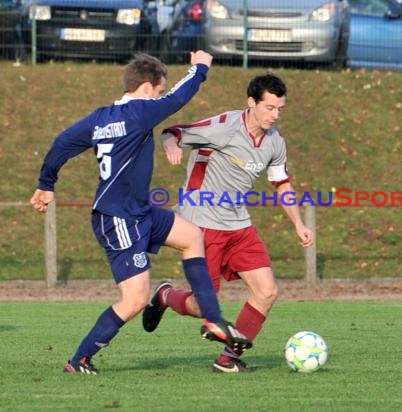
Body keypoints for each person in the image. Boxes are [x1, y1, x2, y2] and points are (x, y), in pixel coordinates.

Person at [30, 51, 251, 375]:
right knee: (134, 299)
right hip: (116, 217)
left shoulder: (101, 117)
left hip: (140, 211)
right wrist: (201, 66)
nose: (159, 97)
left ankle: (214, 321)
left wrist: (46, 183)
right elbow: (180, 96)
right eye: (158, 91)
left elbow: (62, 142)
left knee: (192, 236)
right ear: (148, 87)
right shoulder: (139, 112)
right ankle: (79, 360)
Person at [142, 73, 314, 373]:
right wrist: (171, 144)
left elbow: (282, 184)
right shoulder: (224, 127)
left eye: (279, 109)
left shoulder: (275, 142)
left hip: (239, 225)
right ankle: (165, 296)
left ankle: (228, 359)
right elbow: (174, 131)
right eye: (269, 108)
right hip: (203, 223)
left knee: (267, 291)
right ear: (251, 103)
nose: (274, 115)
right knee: (201, 306)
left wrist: (298, 223)